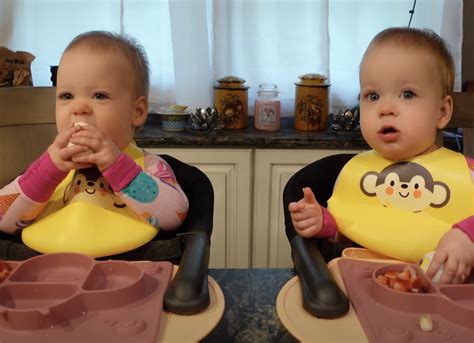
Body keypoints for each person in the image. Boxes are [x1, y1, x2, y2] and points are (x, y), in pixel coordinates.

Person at [289, 27, 474, 285]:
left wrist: (467, 235)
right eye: (372, 96)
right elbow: (348, 226)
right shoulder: (358, 171)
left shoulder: (466, 175)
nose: (385, 109)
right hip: (363, 290)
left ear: (442, 112)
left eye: (407, 94)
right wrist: (323, 221)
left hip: (439, 302)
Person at [0, 31, 189, 258]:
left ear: (136, 112)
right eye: (67, 96)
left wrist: (117, 166)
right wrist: (47, 172)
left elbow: (175, 215)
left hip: (126, 271)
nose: (79, 108)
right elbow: (4, 219)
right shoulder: (50, 169)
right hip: (53, 273)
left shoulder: (148, 166)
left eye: (99, 96)